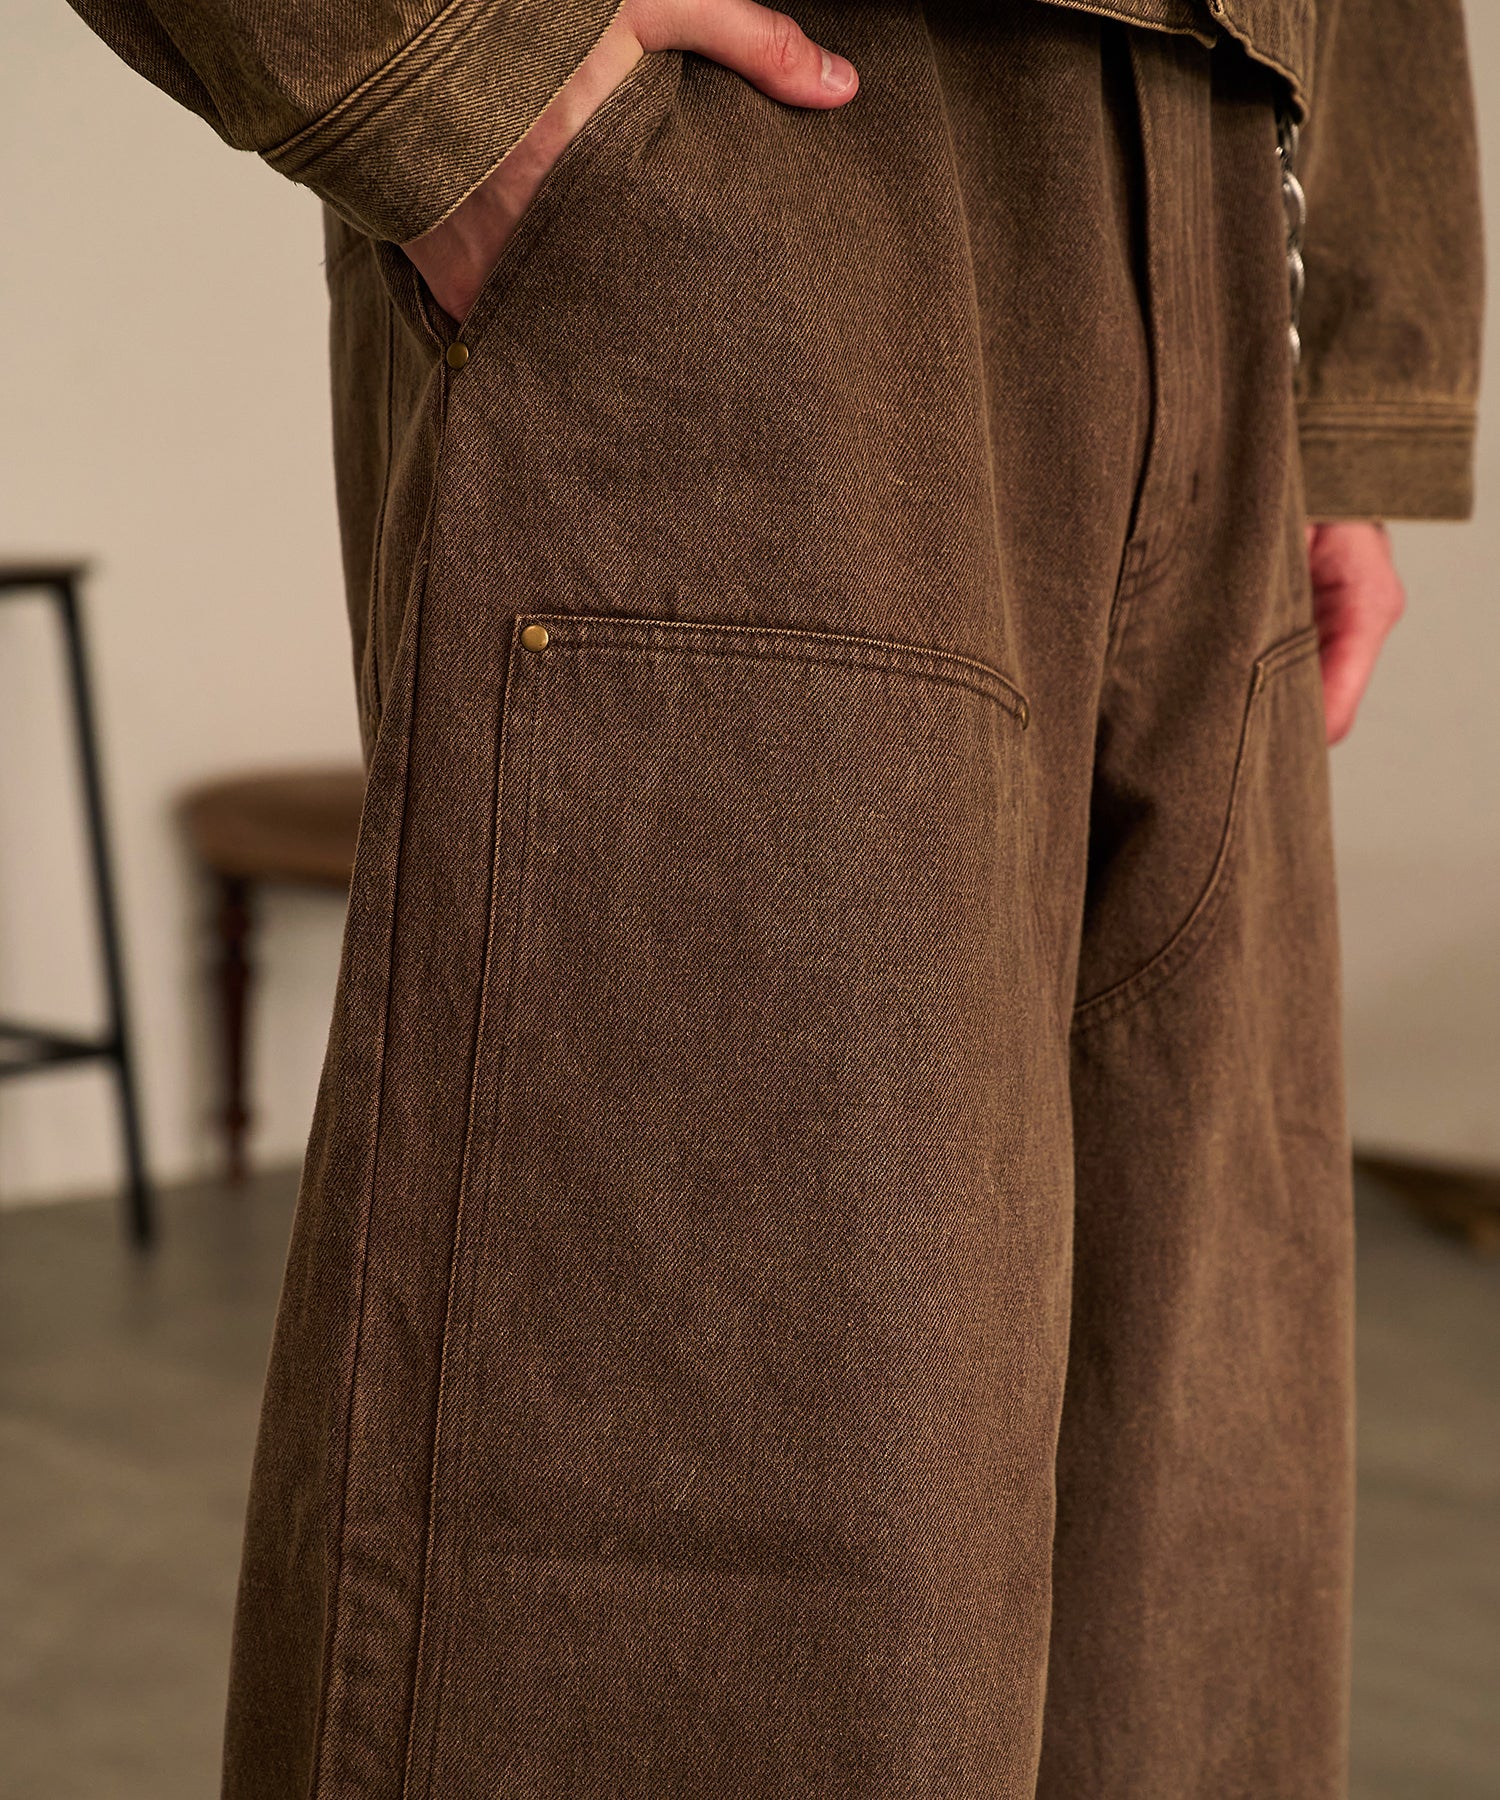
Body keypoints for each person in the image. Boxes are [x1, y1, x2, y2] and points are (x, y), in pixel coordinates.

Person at [64, 0, 1484, 1793]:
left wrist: (1356, 373)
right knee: (719, 1594)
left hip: (1228, 187)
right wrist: (440, 54)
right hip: (786, 166)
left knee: (1189, 1601)